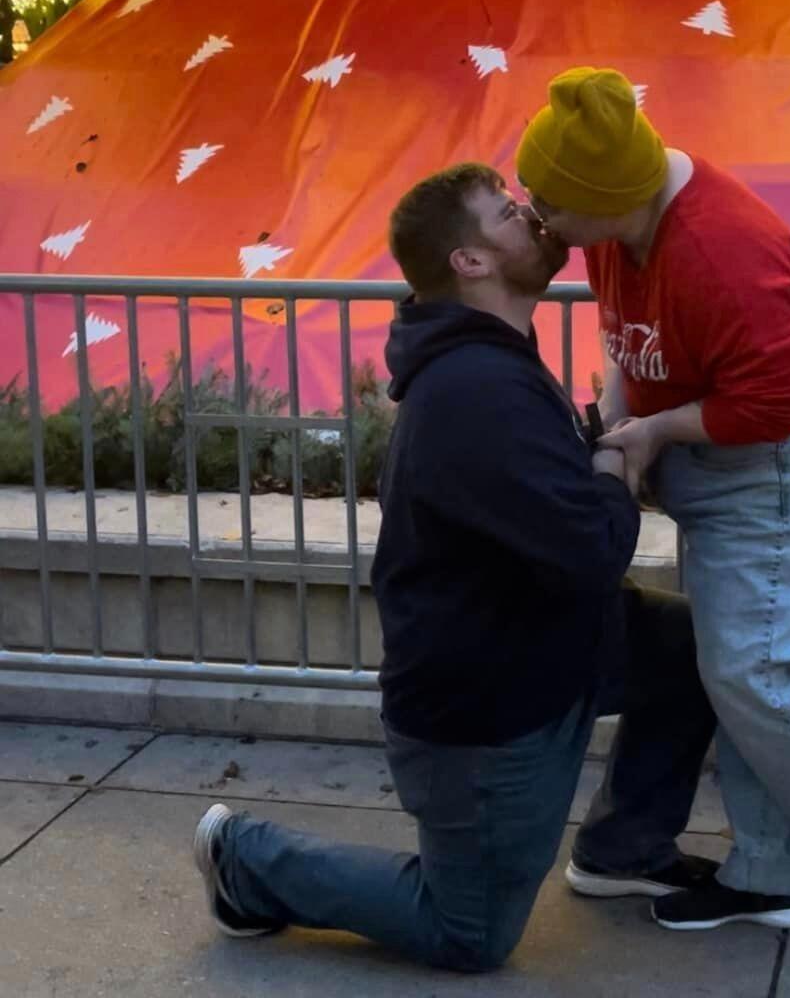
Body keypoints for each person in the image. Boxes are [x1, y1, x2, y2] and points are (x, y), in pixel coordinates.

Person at [192, 162, 720, 971]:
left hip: (550, 652)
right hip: (487, 713)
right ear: (470, 261)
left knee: (692, 648)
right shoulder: (475, 391)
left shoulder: (493, 359)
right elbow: (592, 549)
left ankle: (624, 847)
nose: (533, 216)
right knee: (468, 933)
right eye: (508, 213)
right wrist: (618, 461)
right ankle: (245, 859)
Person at [517, 68, 790, 932]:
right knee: (736, 664)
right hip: (732, 466)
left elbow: (779, 402)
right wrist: (623, 422)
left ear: (607, 198)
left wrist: (658, 436)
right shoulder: (617, 229)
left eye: (552, 201)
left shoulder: (720, 252)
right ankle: (768, 873)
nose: (538, 215)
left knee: (754, 668)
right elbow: (632, 339)